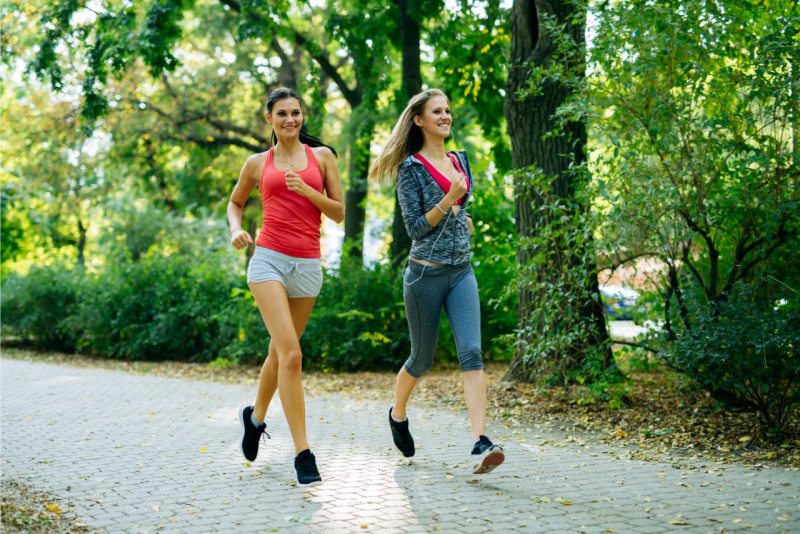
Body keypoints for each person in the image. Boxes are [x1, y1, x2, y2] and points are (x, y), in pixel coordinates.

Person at [368, 89, 505, 474]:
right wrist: (449, 201)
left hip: (462, 271)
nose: (445, 116)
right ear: (419, 120)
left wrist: (464, 217)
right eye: (437, 111)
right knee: (421, 359)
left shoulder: (460, 160)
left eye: (448, 110)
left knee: (472, 354)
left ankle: (481, 441)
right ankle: (397, 414)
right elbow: (414, 228)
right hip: (425, 276)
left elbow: (461, 209)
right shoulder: (410, 169)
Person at [227, 87, 344, 486]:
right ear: (269, 120)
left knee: (280, 354)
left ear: (302, 117)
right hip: (269, 261)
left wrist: (309, 191)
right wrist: (236, 229)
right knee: (292, 355)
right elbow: (235, 202)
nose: (290, 119)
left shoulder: (323, 157)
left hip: (308, 264)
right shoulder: (257, 163)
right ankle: (303, 454)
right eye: (282, 114)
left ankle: (255, 418)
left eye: (295, 113)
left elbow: (340, 213)